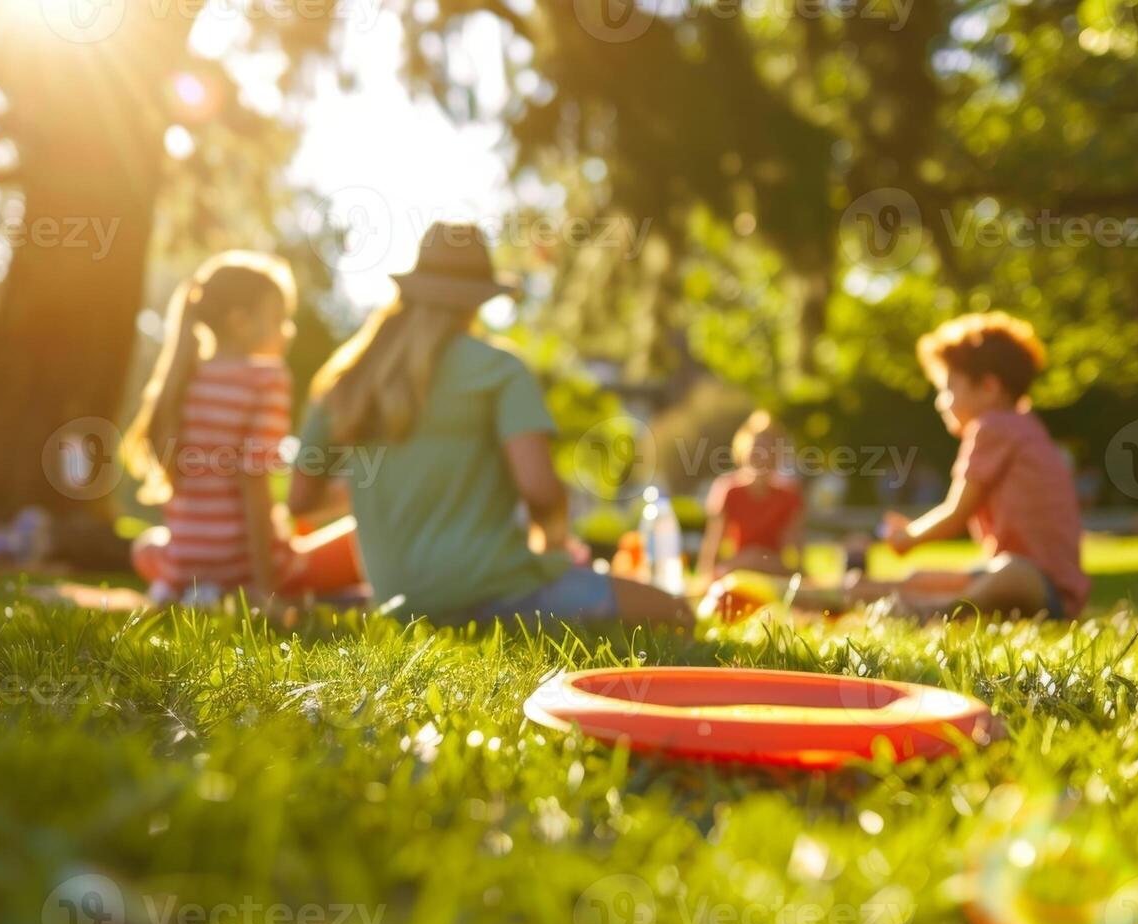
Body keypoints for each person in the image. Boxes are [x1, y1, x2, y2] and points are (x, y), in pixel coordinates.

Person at [287, 222, 693, 629]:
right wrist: (553, 548)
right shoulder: (500, 369)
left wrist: (389, 486)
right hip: (498, 593)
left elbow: (302, 499)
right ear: (479, 299)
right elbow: (538, 487)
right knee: (675, 613)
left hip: (399, 605)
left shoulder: (348, 375)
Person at [121, 251, 361, 607]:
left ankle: (195, 590)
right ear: (240, 322)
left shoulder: (182, 379)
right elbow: (254, 485)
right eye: (279, 318)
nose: (287, 330)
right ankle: (240, 590)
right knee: (356, 541)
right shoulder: (266, 379)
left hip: (184, 565)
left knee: (146, 547)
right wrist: (268, 590)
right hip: (245, 567)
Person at [812, 312, 1089, 620]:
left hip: (1040, 588)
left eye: (947, 388)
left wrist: (909, 538)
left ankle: (933, 612)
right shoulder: (1025, 426)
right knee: (923, 579)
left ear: (988, 387)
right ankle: (848, 595)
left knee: (1012, 573)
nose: (940, 402)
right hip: (1010, 579)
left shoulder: (993, 427)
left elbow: (957, 512)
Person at [697, 410, 805, 581]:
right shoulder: (728, 490)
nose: (762, 457)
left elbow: (795, 548)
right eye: (756, 450)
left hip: (772, 570)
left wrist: (798, 575)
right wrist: (706, 578)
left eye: (768, 451)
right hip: (738, 569)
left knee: (759, 560)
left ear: (776, 456)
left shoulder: (788, 496)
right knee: (751, 560)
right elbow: (712, 545)